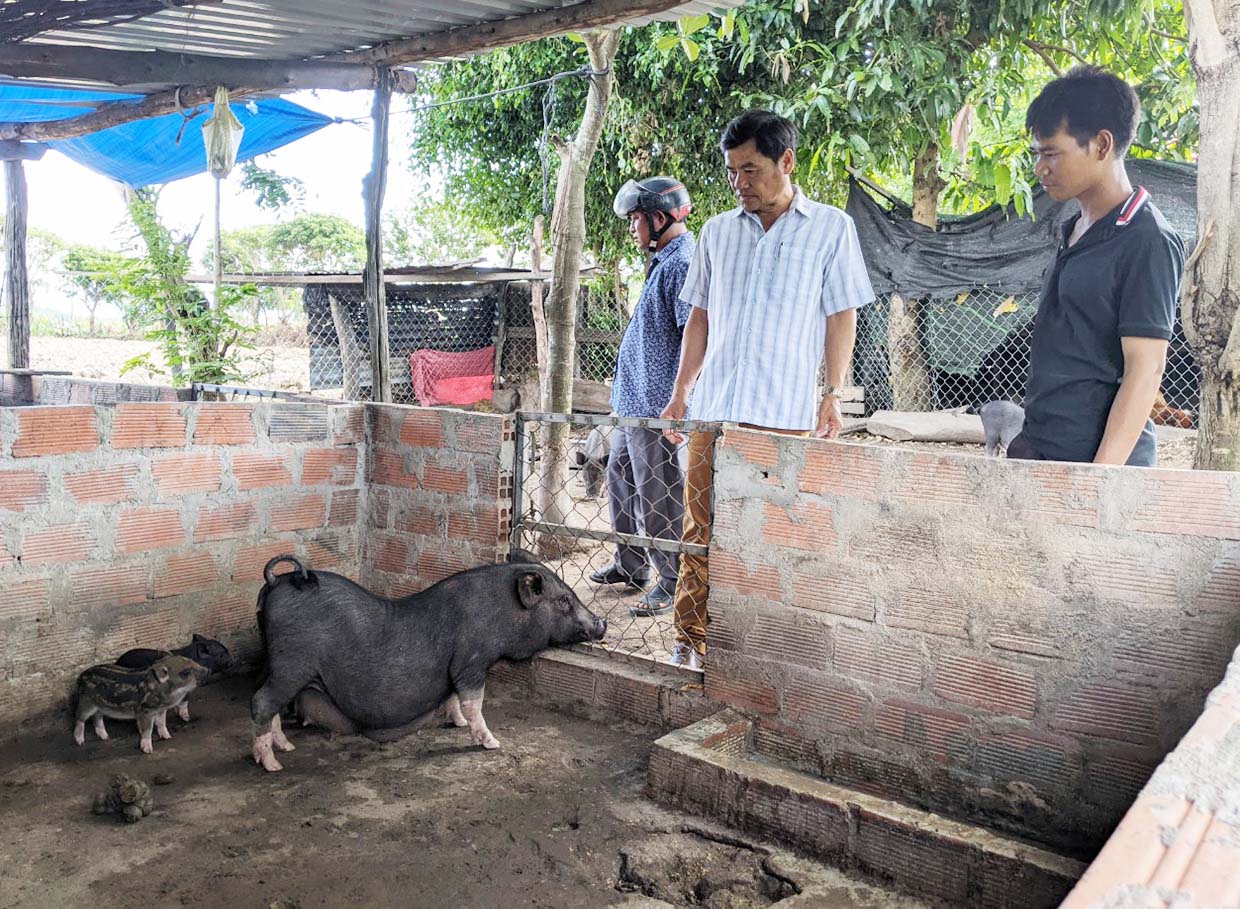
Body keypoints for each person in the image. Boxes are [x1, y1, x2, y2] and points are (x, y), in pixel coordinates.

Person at [661, 111, 874, 670]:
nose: (740, 183)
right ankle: (691, 643)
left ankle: (763, 651)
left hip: (782, 414)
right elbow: (700, 318)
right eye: (733, 171)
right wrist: (683, 390)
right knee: (700, 528)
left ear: (787, 162)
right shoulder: (716, 232)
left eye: (751, 169)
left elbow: (839, 315)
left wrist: (832, 391)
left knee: (774, 531)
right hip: (715, 412)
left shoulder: (831, 228)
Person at [1010, 66, 1185, 466]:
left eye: (1052, 152)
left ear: (1102, 145)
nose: (1041, 168)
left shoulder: (1147, 238)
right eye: (1038, 154)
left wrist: (1099, 482)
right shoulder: (1074, 228)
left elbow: (1146, 370)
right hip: (1042, 448)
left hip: (1097, 467)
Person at [589, 176, 696, 617]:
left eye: (636, 219)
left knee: (659, 494)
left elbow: (695, 333)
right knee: (620, 479)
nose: (633, 228)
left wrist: (679, 400)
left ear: (659, 218)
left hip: (658, 408)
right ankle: (631, 566)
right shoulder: (661, 262)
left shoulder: (682, 263)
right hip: (632, 404)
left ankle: (671, 581)